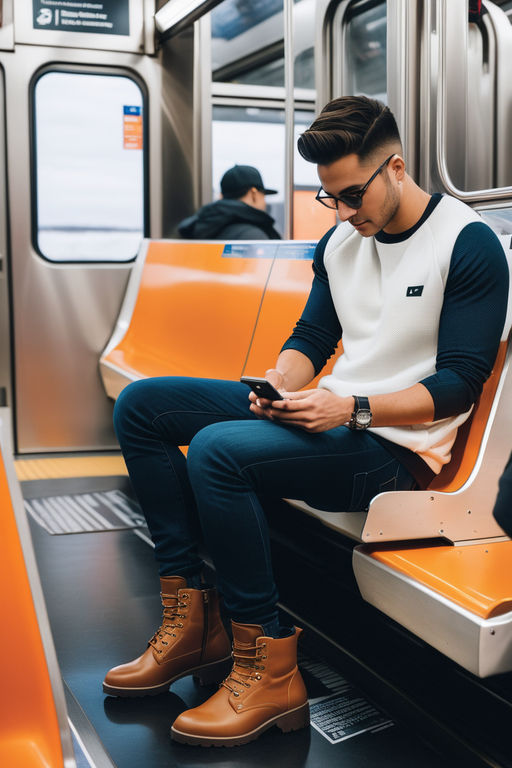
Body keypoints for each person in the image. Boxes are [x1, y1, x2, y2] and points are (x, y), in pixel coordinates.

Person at [103, 96, 509, 747]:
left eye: (352, 196)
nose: (344, 214)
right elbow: (312, 337)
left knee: (216, 451)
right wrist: (279, 385)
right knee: (144, 407)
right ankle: (191, 618)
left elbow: (460, 385)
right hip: (332, 418)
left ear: (395, 168)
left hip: (392, 447)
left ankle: (266, 667)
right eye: (331, 199)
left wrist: (352, 407)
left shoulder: (467, 243)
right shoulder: (342, 241)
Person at [178, 164, 281, 240]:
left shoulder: (200, 226)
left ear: (222, 196)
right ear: (253, 194)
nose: (264, 203)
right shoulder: (254, 236)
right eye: (263, 196)